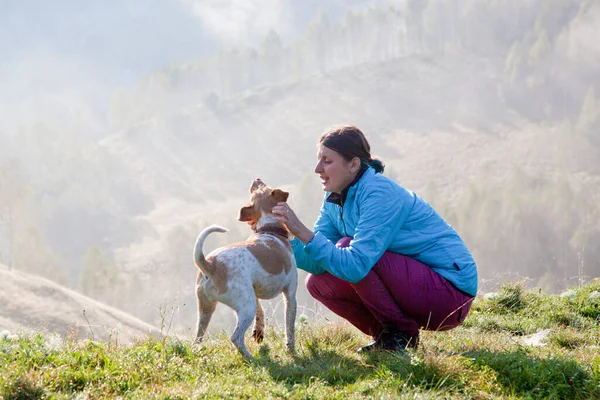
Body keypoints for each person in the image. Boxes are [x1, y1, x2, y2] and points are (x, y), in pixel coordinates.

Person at [271, 125, 478, 352]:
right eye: (318, 160)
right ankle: (388, 339)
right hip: (415, 285)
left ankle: (402, 334)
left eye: (327, 161)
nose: (317, 169)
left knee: (348, 250)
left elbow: (356, 265)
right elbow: (316, 263)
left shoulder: (379, 193)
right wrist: (281, 235)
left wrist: (303, 231)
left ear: (354, 164)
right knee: (318, 283)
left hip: (450, 293)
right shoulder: (334, 198)